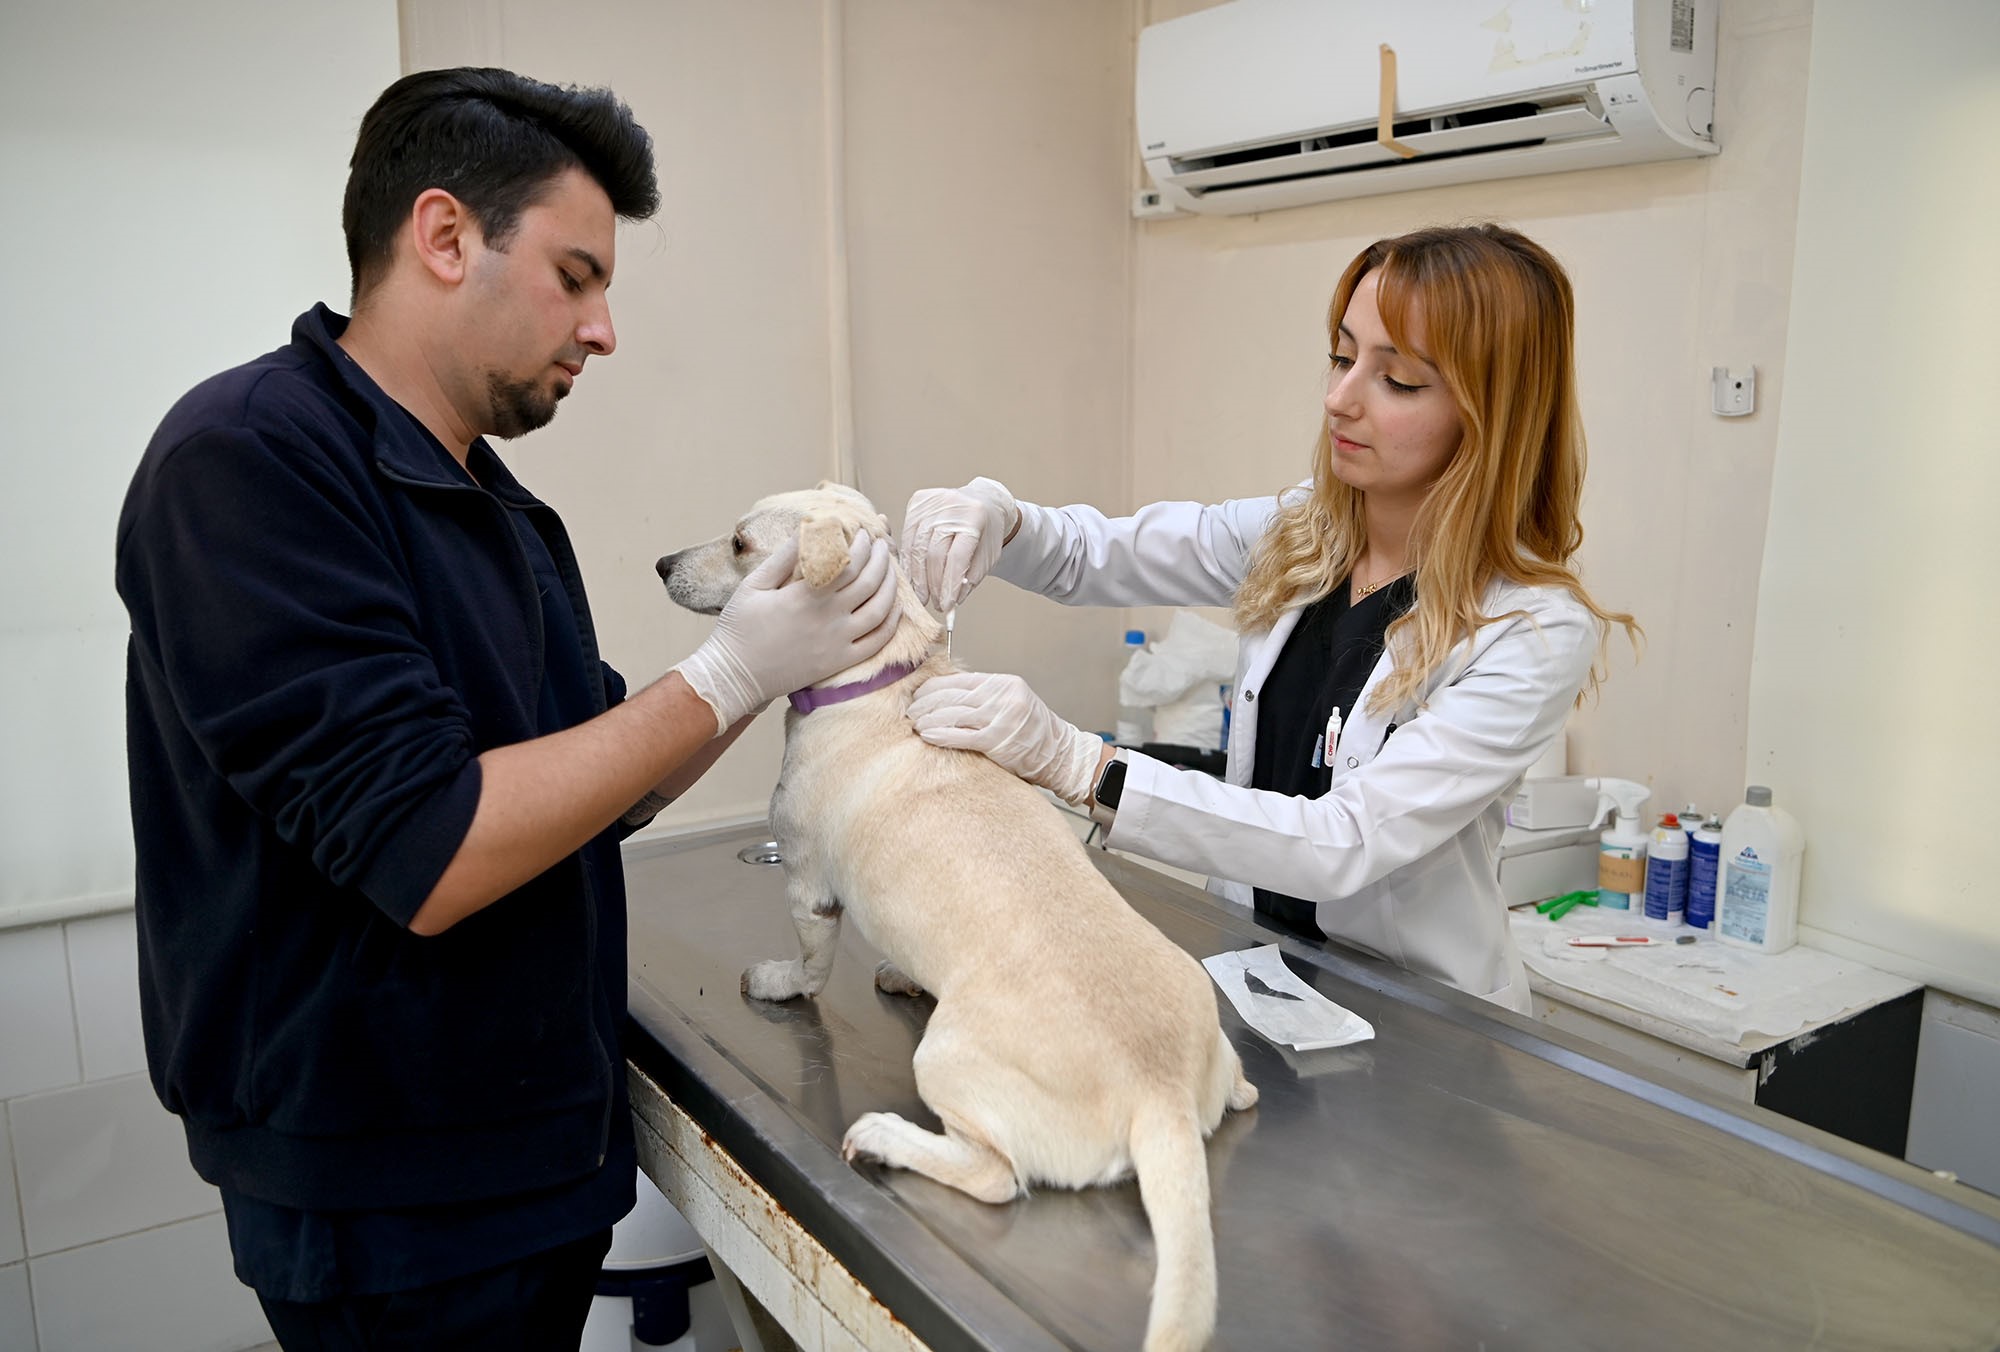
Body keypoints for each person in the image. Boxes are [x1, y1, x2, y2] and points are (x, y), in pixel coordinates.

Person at [115, 67, 899, 1349]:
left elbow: (601, 778)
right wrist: (733, 671)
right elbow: (427, 847)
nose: (602, 329)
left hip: (524, 1159)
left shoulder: (486, 500)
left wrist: (801, 653)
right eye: (576, 275)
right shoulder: (250, 460)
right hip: (388, 1197)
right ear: (441, 236)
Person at [899, 223, 1636, 1014]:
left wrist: (1084, 765)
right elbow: (1096, 554)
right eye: (1343, 356)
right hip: (1259, 973)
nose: (1339, 400)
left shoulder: (1528, 631)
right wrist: (996, 517)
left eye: (1399, 381)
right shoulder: (1298, 534)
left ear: (1491, 414)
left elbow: (1344, 841)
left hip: (1421, 1020)